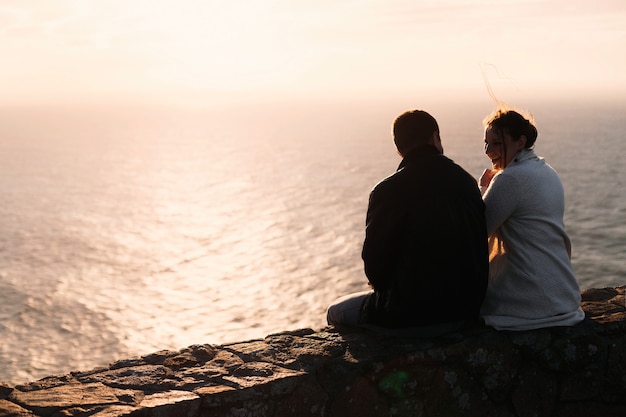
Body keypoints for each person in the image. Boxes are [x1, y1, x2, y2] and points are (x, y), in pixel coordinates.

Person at [326, 109, 489, 336]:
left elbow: (375, 269)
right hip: (465, 312)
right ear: (435, 137)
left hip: (409, 315)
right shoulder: (467, 182)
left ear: (398, 148)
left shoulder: (387, 191)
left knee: (336, 311)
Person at [479, 107, 585, 330]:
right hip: (563, 294)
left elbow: (477, 231)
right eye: (486, 143)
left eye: (497, 143)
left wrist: (482, 189)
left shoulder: (510, 179)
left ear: (520, 142)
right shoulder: (547, 170)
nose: (489, 151)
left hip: (532, 301)